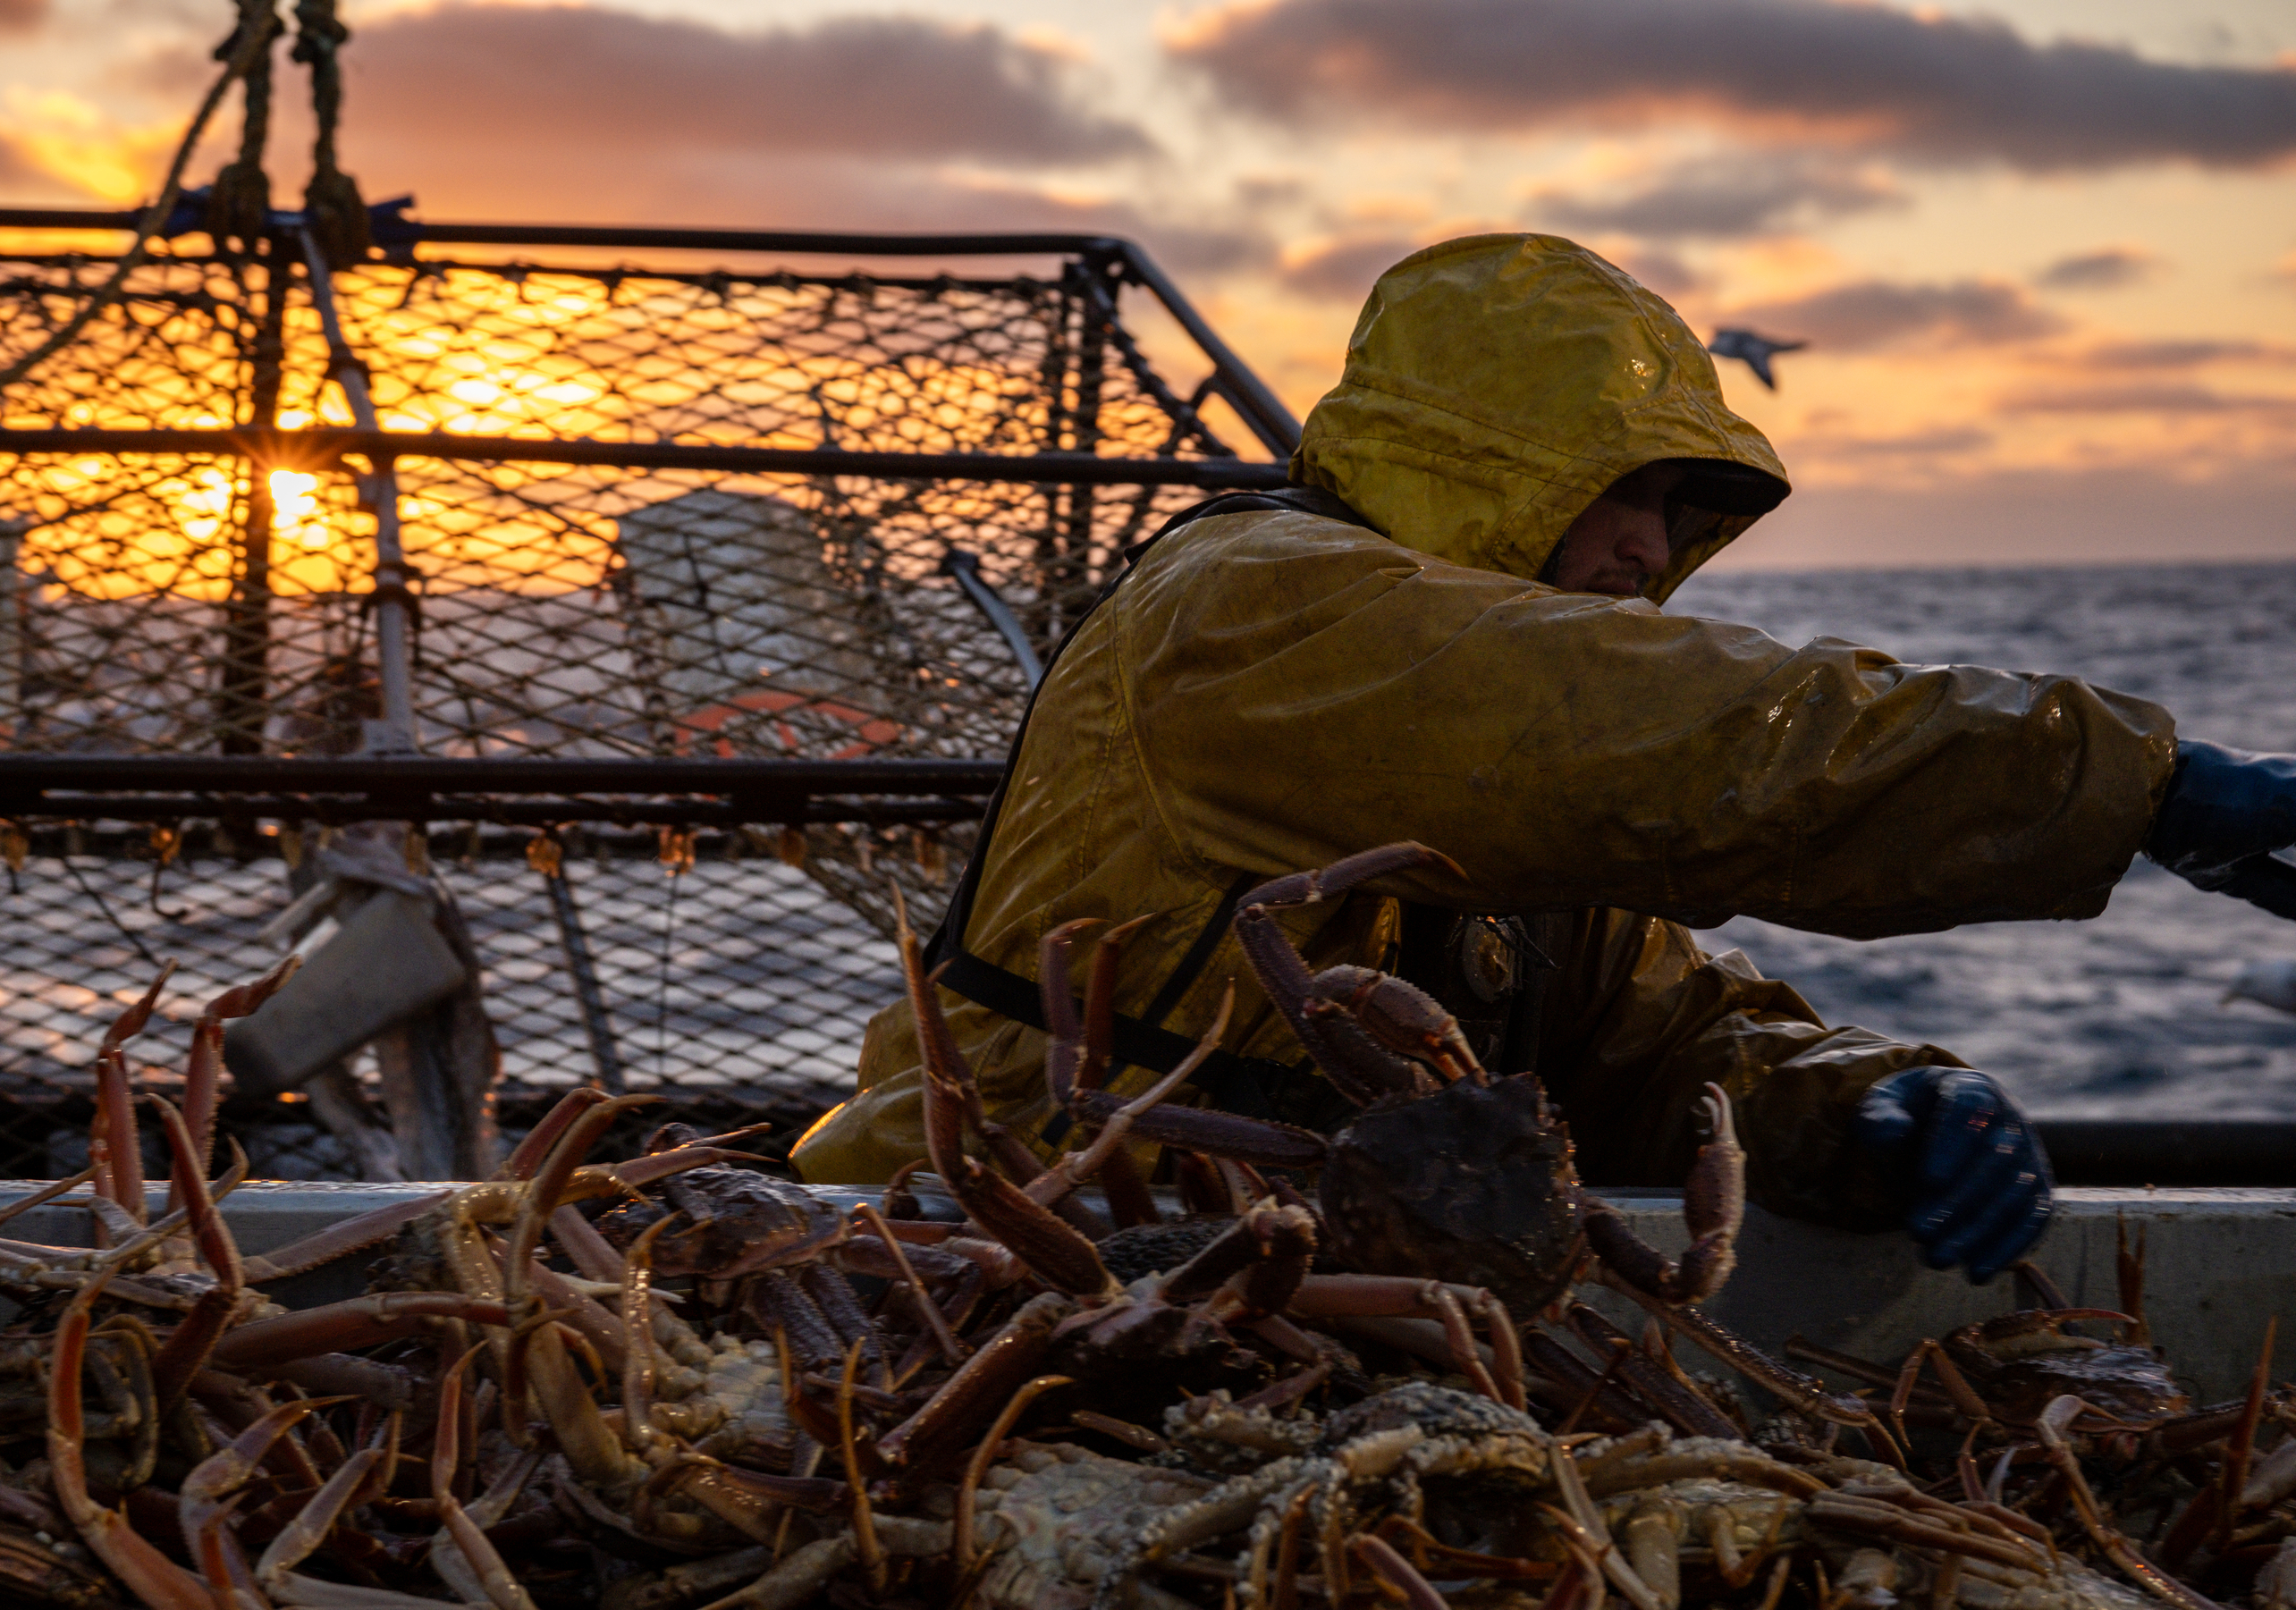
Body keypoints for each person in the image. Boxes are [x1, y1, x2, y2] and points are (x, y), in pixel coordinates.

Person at [790, 232, 2296, 1284]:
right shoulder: (1247, 609)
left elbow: (1652, 1039)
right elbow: (1678, 740)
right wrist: (2133, 783)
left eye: (1681, 513)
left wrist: (1863, 1102)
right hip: (974, 1265)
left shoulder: (1508, 794)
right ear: (1478, 466)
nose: (1654, 550)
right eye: (1620, 492)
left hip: (1312, 1291)